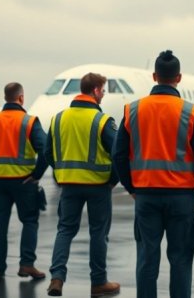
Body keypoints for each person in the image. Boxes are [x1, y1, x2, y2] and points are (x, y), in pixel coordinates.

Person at [113, 50, 194, 298]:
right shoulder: (190, 112)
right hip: (181, 199)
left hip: (146, 197)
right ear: (178, 78)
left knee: (147, 258)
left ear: (154, 76)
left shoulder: (132, 111)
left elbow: (118, 156)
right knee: (180, 259)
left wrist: (131, 188)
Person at [45, 72, 120, 297]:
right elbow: (119, 152)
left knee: (65, 230)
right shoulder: (102, 120)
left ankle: (57, 278)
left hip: (68, 185)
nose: (104, 95)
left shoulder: (59, 118)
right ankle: (98, 282)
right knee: (98, 233)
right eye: (103, 91)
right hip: (98, 186)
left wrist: (60, 174)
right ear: (96, 91)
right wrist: (112, 180)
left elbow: (48, 152)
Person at [0, 82, 48, 281]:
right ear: (21, 98)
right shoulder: (29, 122)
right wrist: (37, 174)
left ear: (5, 97)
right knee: (29, 221)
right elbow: (46, 150)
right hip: (24, 182)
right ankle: (26, 264)